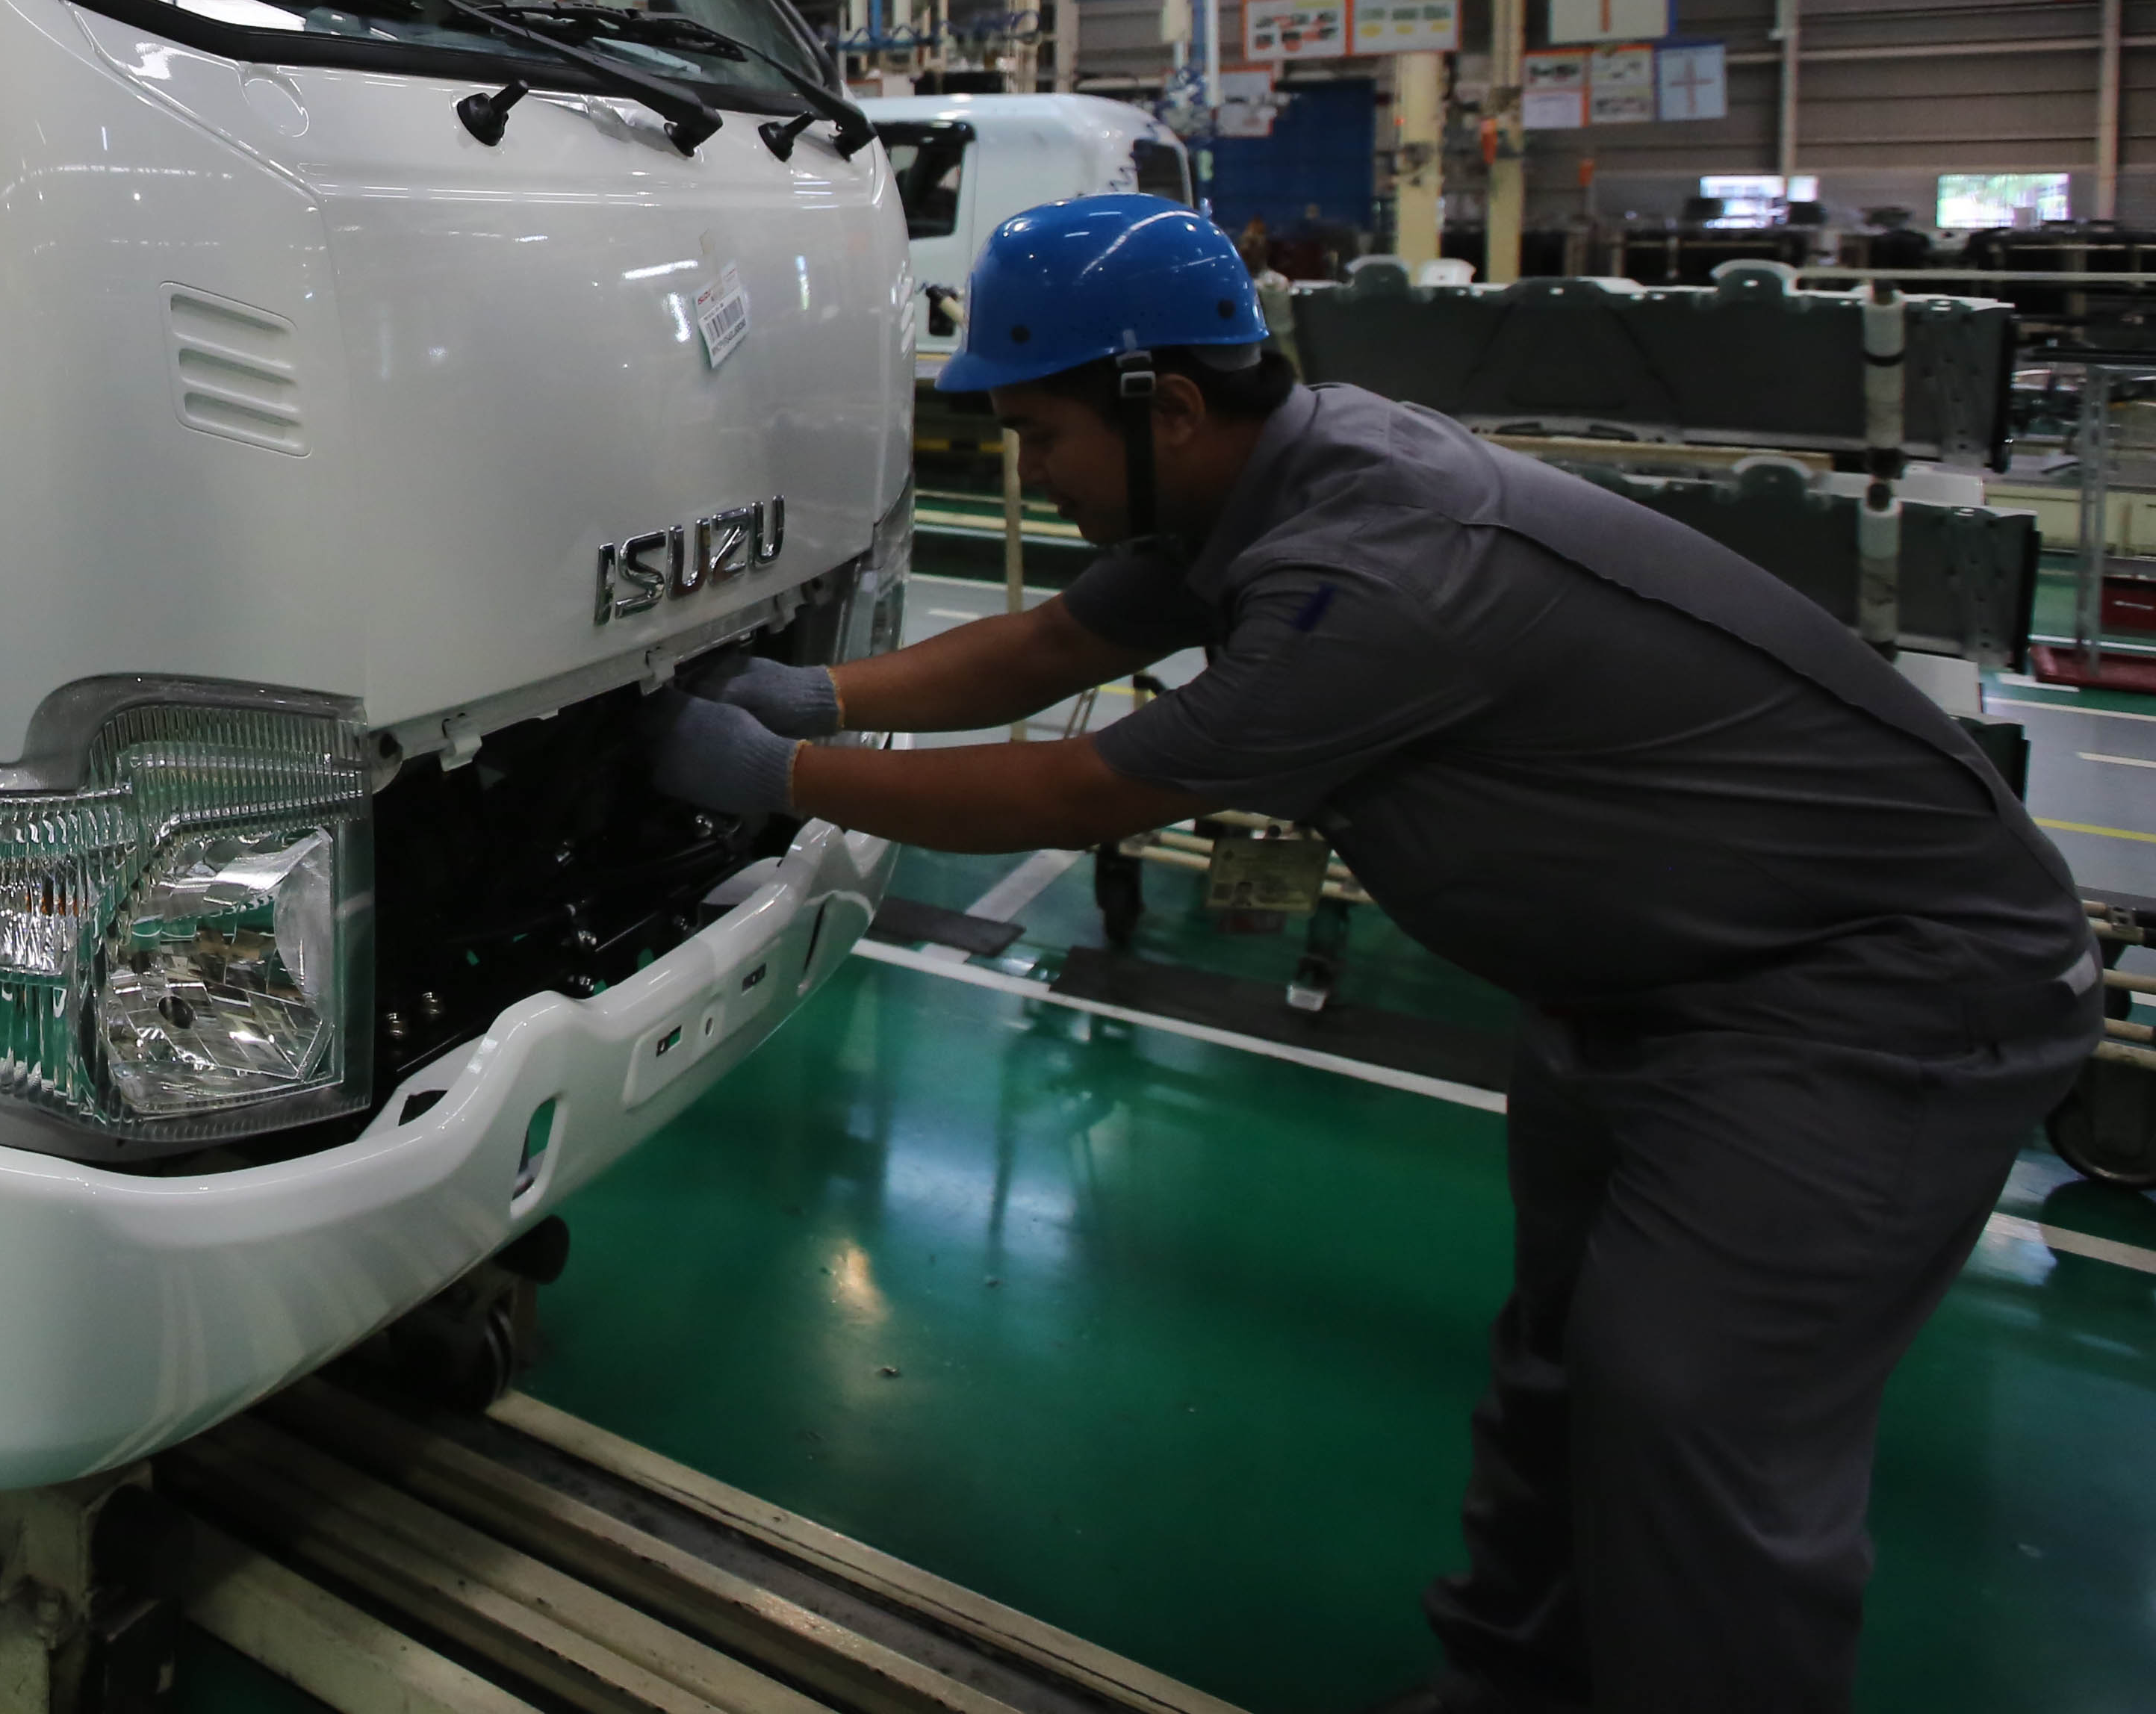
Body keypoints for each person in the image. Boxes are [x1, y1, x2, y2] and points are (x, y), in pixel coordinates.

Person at [653, 195, 2096, 1714]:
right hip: (1647, 984)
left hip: (1872, 990)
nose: (1030, 472)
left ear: (1170, 405)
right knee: (1564, 1371)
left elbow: (1079, 786)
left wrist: (774, 777)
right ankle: (1515, 1688)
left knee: (1692, 1414)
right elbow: (1044, 650)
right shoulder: (1251, 488)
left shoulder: (1379, 564)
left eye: (1040, 436)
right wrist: (809, 691)